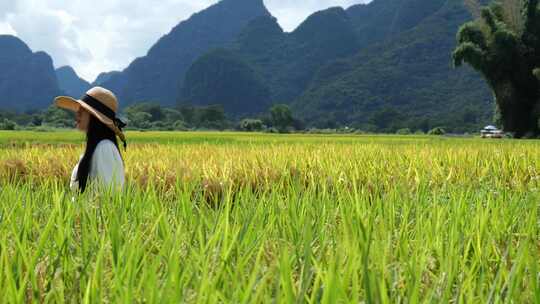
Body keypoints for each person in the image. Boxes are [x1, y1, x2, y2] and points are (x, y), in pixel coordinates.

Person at [54, 87, 127, 193]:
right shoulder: (97, 148)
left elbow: (110, 197)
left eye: (83, 109)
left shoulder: (104, 148)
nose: (77, 113)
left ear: (96, 117)